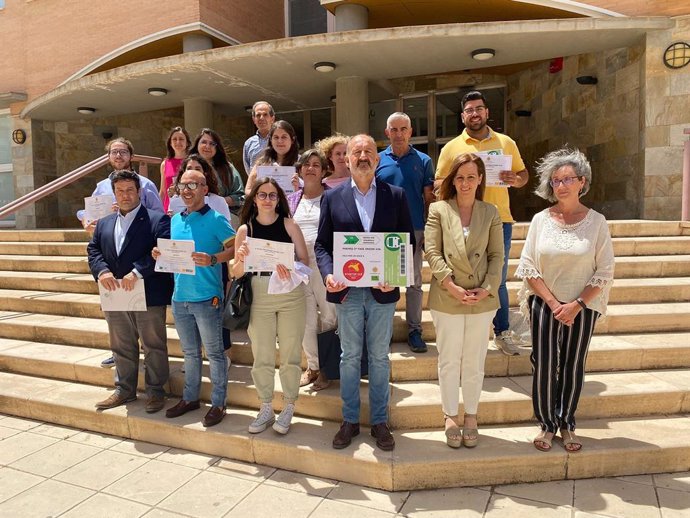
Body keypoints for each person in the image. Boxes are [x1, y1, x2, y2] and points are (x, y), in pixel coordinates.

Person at [315, 134, 415, 452]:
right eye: (356, 151)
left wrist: (395, 275)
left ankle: (381, 422)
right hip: (347, 292)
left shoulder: (395, 195)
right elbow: (321, 244)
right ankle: (350, 420)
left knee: (380, 358)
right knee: (348, 357)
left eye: (368, 151)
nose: (361, 156)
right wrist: (329, 273)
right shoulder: (332, 197)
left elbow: (408, 242)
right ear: (346, 159)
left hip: (381, 291)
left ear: (378, 158)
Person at [516, 147, 614, 452]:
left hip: (583, 307)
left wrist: (577, 304)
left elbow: (605, 269)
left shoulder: (597, 222)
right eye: (556, 180)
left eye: (568, 179)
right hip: (544, 304)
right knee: (544, 364)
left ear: (582, 182)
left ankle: (567, 424)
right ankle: (546, 425)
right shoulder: (539, 220)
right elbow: (528, 265)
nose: (562, 185)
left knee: (573, 365)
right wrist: (554, 303)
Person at [435, 91, 529, 356]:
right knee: (463, 275)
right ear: (463, 116)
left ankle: (502, 332)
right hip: (463, 221)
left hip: (500, 220)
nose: (474, 114)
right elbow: (439, 183)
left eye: (479, 109)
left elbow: (523, 176)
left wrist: (515, 179)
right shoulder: (451, 148)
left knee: (496, 278)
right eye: (469, 110)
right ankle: (467, 331)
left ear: (487, 112)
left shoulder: (506, 142)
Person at [425, 153, 503, 448]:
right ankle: (449, 415)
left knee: (474, 361)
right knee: (448, 361)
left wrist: (487, 287)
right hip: (448, 297)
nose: (466, 183)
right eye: (460, 177)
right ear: (452, 180)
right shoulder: (439, 210)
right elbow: (433, 252)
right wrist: (450, 285)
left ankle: (471, 415)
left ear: (480, 179)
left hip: (482, 298)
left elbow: (497, 255)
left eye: (472, 177)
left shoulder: (491, 212)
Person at [87, 170, 174, 413]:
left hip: (147, 291)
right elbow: (93, 250)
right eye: (120, 191)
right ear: (114, 193)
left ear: (139, 192)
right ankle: (124, 390)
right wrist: (102, 271)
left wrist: (137, 272)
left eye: (129, 190)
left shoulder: (158, 219)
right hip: (114, 292)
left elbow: (161, 250)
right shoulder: (104, 223)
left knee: (153, 345)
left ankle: (156, 391)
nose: (125, 195)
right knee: (121, 344)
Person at [156, 168, 236, 428]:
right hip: (180, 297)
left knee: (214, 353)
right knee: (190, 353)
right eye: (183, 186)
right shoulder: (175, 220)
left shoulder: (215, 218)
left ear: (205, 189)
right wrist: (161, 254)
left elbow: (235, 248)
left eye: (194, 185)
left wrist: (214, 259)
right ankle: (190, 398)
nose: (188, 190)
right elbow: (175, 253)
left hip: (207, 297)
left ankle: (219, 403)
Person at [78, 137, 164, 369]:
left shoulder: (146, 184)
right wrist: (85, 220)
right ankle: (120, 362)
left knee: (149, 333)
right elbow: (87, 212)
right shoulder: (100, 186)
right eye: (114, 152)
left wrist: (131, 210)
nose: (118, 156)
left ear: (131, 156)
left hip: (140, 264)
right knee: (120, 330)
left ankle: (153, 376)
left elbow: (158, 215)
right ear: (108, 157)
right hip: (112, 261)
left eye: (123, 152)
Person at [233, 178, 309, 435]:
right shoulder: (245, 229)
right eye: (262, 195)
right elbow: (235, 272)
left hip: (290, 293)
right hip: (260, 293)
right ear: (254, 199)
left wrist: (290, 268)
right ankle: (266, 406)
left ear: (279, 199)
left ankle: (288, 405)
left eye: (272, 195)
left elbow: (305, 262)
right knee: (262, 354)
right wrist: (241, 257)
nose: (267, 199)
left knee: (290, 353)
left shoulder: (289, 224)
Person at [376, 112, 434, 353]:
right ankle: (384, 330)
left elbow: (429, 197)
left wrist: (428, 229)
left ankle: (414, 330)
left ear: (410, 132)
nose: (399, 134)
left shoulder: (423, 160)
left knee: (414, 282)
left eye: (403, 129)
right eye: (394, 129)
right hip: (386, 231)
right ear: (387, 132)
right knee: (387, 281)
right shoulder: (377, 160)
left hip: (414, 229)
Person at [287, 149, 337, 391]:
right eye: (306, 164)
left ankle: (328, 368)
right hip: (299, 268)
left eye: (316, 164)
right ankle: (313, 367)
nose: (311, 168)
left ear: (324, 170)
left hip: (326, 267)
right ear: (299, 170)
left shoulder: (334, 197)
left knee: (329, 316)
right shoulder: (291, 200)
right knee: (305, 320)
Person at [189, 128, 245, 221]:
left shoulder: (227, 168)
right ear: (197, 145)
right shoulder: (188, 166)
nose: (207, 146)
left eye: (212, 144)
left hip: (222, 217)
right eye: (204, 142)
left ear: (217, 148)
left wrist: (218, 202)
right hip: (193, 217)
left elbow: (240, 197)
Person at [244, 120, 300, 196]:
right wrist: (261, 196)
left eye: (284, 137)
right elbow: (248, 190)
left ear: (292, 140)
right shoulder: (262, 163)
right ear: (271, 140)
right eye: (276, 137)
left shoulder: (302, 162)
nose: (280, 141)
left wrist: (298, 189)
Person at [170, 154, 232, 221]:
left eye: (197, 169)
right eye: (189, 168)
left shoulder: (219, 202)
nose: (193, 171)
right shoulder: (174, 202)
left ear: (205, 173)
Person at [159, 126, 190, 212]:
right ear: (170, 143)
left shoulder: (192, 162)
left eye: (181, 139)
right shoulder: (165, 164)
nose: (178, 142)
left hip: (188, 207)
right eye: (174, 139)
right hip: (169, 210)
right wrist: (158, 209)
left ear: (187, 143)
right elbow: (163, 191)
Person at [243, 101, 276, 174]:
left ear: (272, 119)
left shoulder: (279, 140)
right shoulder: (248, 143)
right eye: (258, 115)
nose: (261, 118)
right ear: (254, 120)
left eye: (265, 114)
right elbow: (248, 169)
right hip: (256, 184)